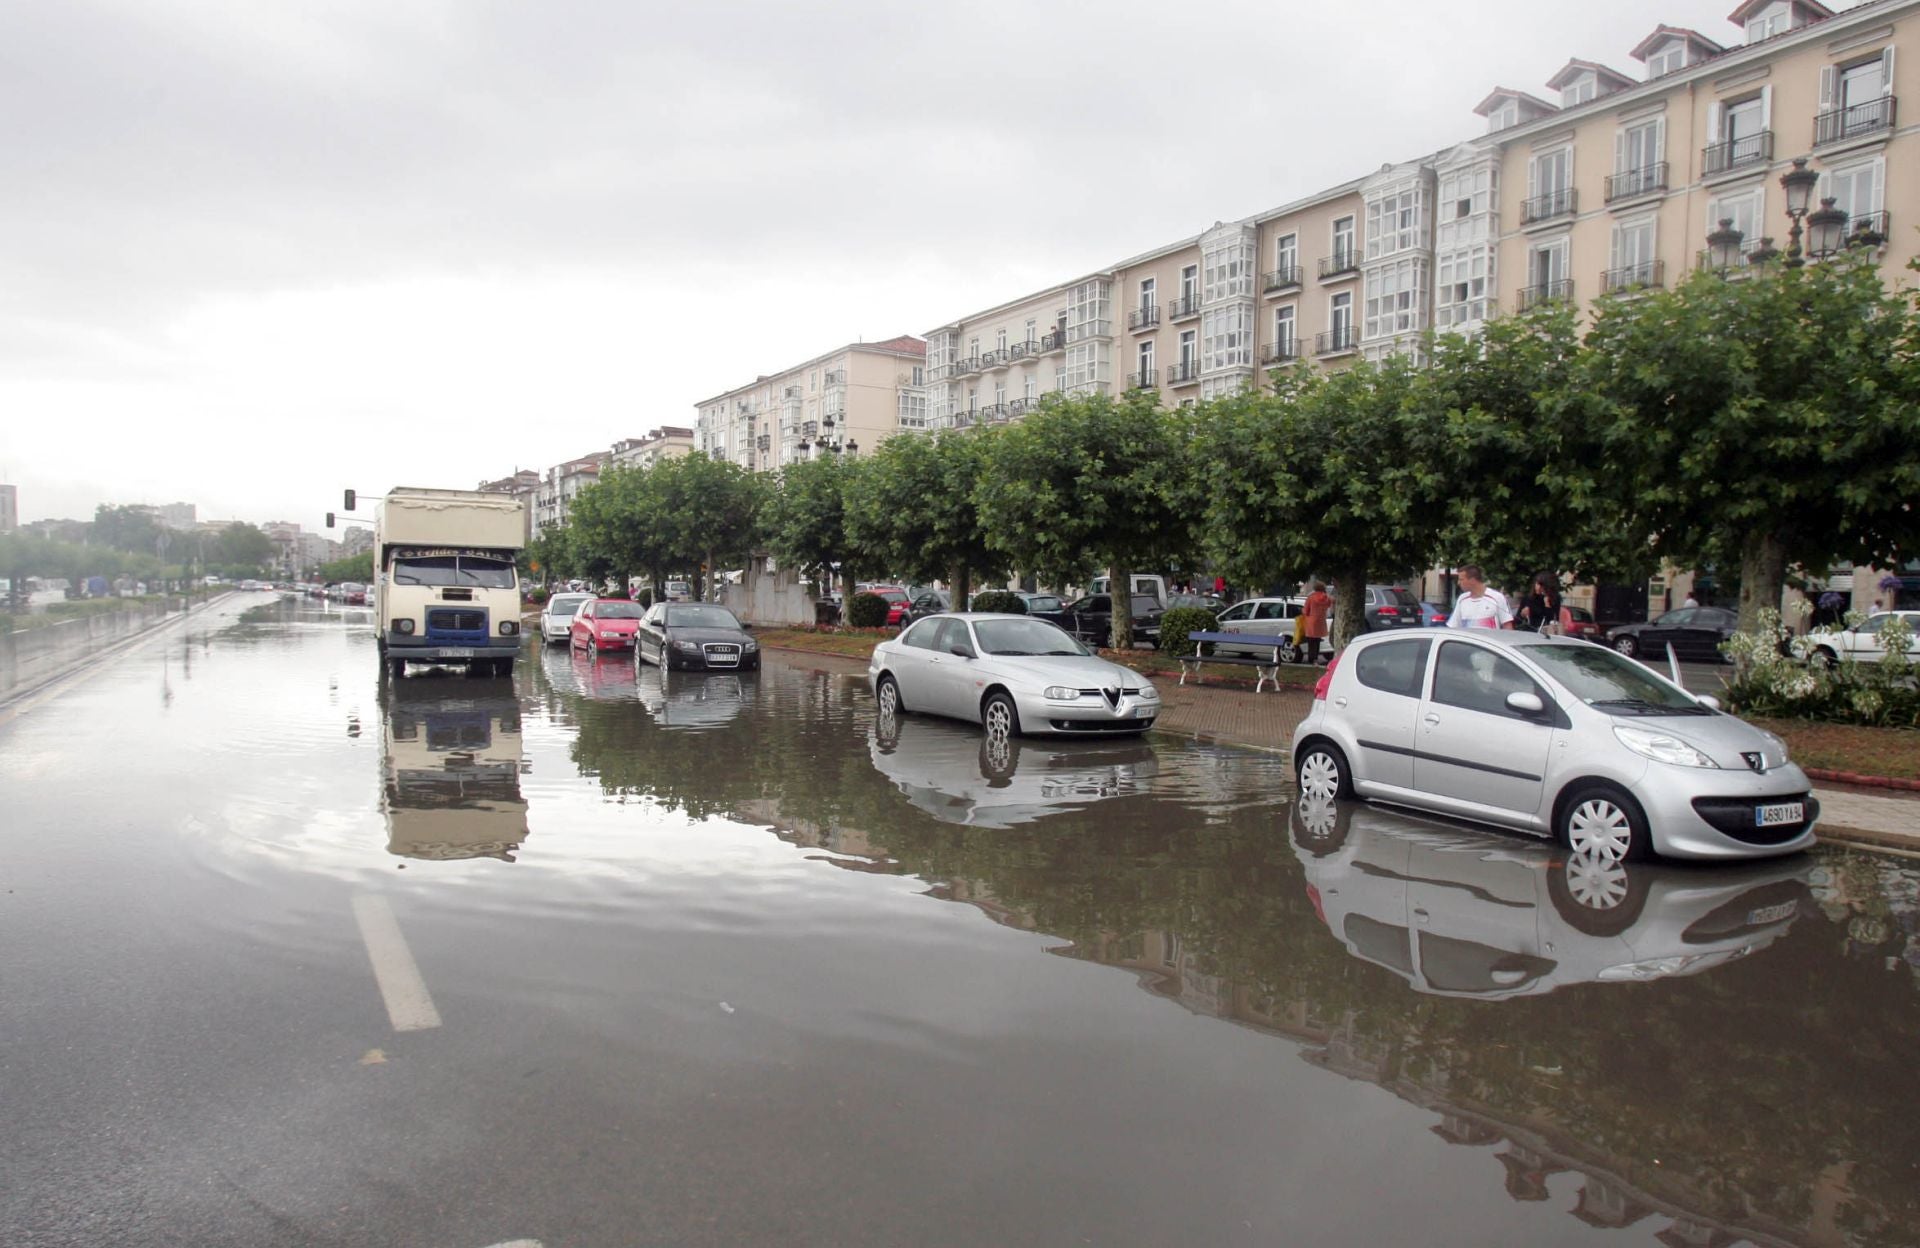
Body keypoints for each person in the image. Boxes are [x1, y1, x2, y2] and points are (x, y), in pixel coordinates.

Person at [1447, 565, 1514, 630]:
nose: (1458, 583)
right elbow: (1453, 626)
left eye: (1461, 579)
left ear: (1472, 580)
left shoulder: (1497, 597)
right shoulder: (1462, 599)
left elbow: (1507, 626)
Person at [1301, 581, 1332, 664]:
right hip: (1321, 622)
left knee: (1311, 642)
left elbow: (1306, 611)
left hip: (1311, 623)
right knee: (1317, 641)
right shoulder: (1326, 598)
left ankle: (1311, 659)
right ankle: (1316, 658)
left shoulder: (1311, 598)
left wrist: (1303, 611)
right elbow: (1329, 604)